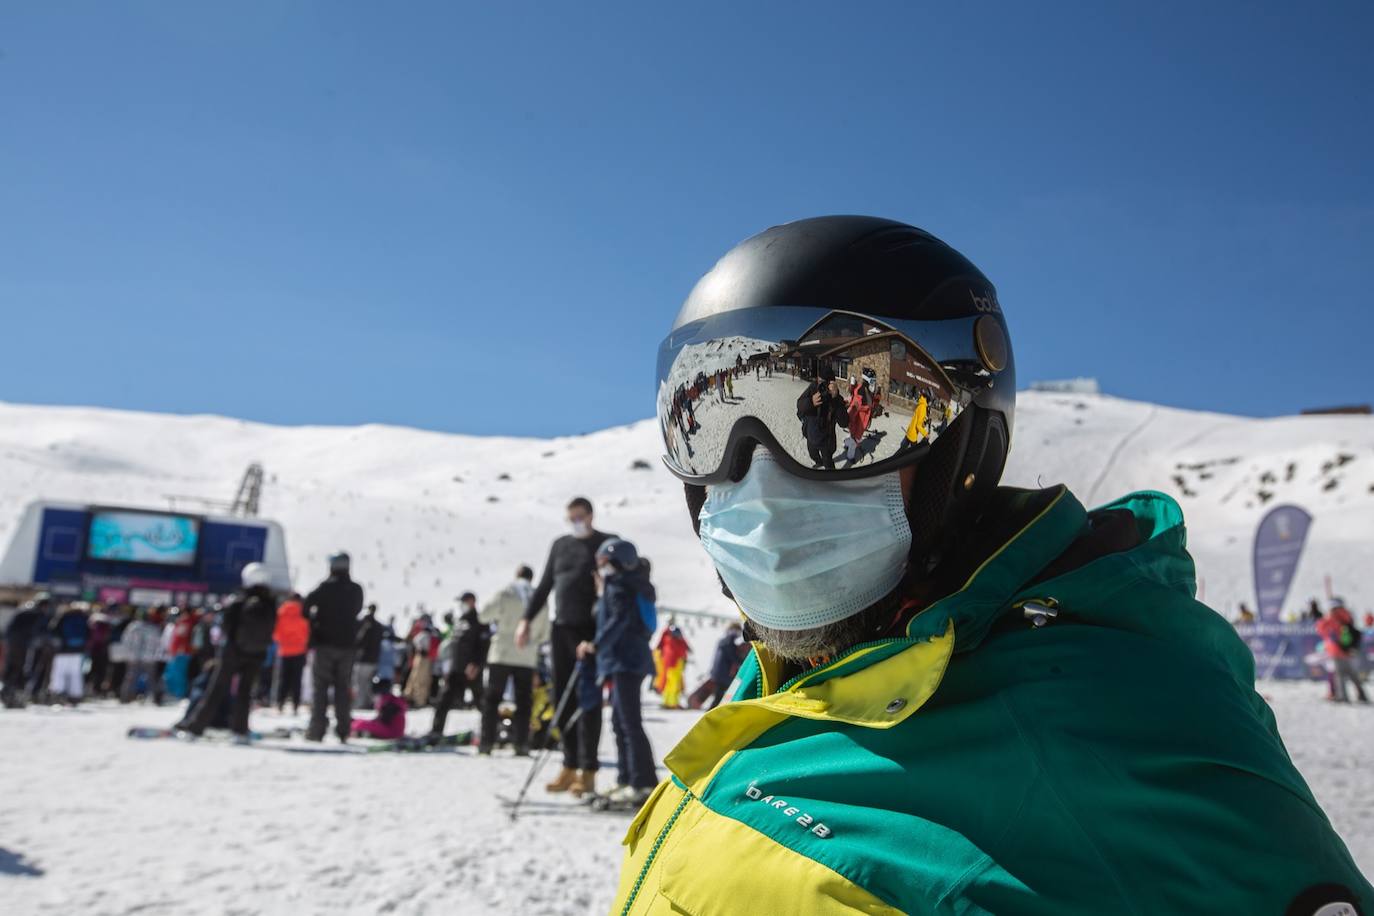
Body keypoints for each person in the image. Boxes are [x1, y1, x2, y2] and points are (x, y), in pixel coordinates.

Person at [612, 215, 1372, 915]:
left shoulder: (1125, 741)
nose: (758, 481)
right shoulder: (782, 675)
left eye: (842, 427)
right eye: (700, 424)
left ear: (961, 442)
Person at [515, 497, 614, 798]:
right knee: (562, 700)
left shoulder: (607, 543)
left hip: (591, 633)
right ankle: (569, 765)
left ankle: (588, 771)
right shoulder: (560, 545)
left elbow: (618, 588)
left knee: (589, 704)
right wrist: (526, 620)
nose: (576, 523)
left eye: (580, 517)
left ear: (591, 515)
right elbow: (545, 585)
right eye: (571, 518)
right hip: (562, 630)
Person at [576, 538, 658, 806]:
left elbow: (618, 620)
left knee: (629, 723)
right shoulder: (628, 584)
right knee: (620, 722)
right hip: (625, 660)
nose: (600, 567)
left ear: (617, 561)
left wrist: (596, 645)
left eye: (603, 561)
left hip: (625, 660)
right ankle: (627, 778)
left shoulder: (620, 585)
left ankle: (642, 783)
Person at [175, 563, 278, 740]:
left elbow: (226, 625)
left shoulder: (239, 599)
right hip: (257, 654)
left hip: (233, 652)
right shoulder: (271, 603)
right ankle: (240, 731)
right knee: (245, 692)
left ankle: (195, 728)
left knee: (217, 689)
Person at [476, 565, 546, 756]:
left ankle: (486, 743)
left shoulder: (506, 592)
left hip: (502, 652)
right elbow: (545, 632)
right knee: (524, 701)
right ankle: (521, 744)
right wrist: (532, 641)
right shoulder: (538, 597)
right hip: (527, 655)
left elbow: (484, 615)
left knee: (492, 700)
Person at [304, 552, 363, 743]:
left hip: (324, 644)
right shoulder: (355, 589)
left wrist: (315, 624)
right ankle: (344, 731)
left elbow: (305, 607)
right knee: (342, 688)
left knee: (320, 688)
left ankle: (317, 730)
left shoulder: (324, 588)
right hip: (347, 646)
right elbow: (357, 610)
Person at [428, 592, 490, 740]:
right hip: (456, 669)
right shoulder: (461, 620)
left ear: (472, 601)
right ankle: (436, 731)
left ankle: (490, 732)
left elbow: (484, 645)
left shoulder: (480, 620)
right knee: (444, 699)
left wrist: (476, 664)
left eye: (464, 601)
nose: (461, 605)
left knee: (481, 702)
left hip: (471, 670)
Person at [2, 594, 50, 707]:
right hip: (23, 645)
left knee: (12, 669)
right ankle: (14, 696)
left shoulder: (24, 609)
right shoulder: (35, 613)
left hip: (13, 644)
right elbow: (35, 631)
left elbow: (9, 628)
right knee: (22, 671)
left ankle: (8, 694)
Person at [795, 367, 847, 469]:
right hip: (811, 435)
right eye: (819, 381)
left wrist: (836, 399)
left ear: (832, 383)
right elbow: (799, 404)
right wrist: (811, 402)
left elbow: (844, 422)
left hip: (826, 441)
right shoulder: (813, 388)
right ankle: (819, 462)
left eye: (824, 382)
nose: (821, 385)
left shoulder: (836, 397)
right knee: (813, 455)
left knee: (828, 463)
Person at [1316, 601, 1367, 704]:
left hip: (1336, 650)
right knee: (1351, 673)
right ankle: (1362, 695)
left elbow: (1320, 629)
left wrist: (1326, 617)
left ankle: (1343, 697)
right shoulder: (1346, 614)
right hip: (1347, 650)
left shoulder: (1331, 618)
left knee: (1339, 675)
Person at [272, 592, 309, 714]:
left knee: (283, 678)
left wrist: (282, 641)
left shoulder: (281, 611)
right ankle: (295, 704)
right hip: (300, 650)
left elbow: (276, 632)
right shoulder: (304, 612)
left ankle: (280, 702)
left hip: (284, 650)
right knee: (297, 679)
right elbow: (308, 631)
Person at [119, 608, 165, 704]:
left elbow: (125, 641)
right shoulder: (152, 628)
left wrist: (127, 654)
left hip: (134, 657)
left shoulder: (132, 627)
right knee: (151, 678)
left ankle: (126, 697)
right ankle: (154, 698)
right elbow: (158, 643)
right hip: (148, 657)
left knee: (131, 677)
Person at [48, 603, 89, 704]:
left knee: (59, 673)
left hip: (62, 651)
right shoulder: (84, 618)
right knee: (76, 674)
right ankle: (75, 695)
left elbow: (54, 631)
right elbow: (88, 634)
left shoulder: (63, 617)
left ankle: (57, 693)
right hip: (78, 651)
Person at [707, 622, 744, 710]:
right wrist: (743, 662)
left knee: (720, 695)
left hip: (718, 673)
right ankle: (711, 712)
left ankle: (713, 711)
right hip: (723, 674)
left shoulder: (723, 641)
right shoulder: (728, 643)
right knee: (721, 695)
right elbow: (733, 657)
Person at [655, 619, 690, 709]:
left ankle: (667, 702)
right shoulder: (674, 641)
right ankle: (672, 703)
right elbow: (681, 650)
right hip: (674, 664)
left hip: (670, 663)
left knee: (670, 684)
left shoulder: (667, 638)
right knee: (674, 684)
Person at [354, 604, 384, 701]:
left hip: (363, 659)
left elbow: (359, 641)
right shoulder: (379, 626)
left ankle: (361, 702)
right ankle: (368, 701)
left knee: (360, 682)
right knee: (368, 682)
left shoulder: (363, 624)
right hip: (373, 658)